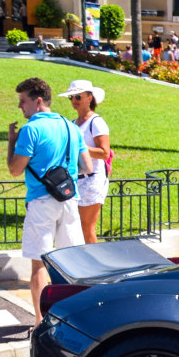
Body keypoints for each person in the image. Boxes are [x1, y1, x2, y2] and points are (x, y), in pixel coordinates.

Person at [6, 77, 91, 325]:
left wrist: (12, 140)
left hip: (41, 201)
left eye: (23, 101)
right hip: (69, 199)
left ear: (38, 101)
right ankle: (72, 319)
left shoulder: (31, 129)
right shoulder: (70, 126)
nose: (21, 107)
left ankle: (40, 321)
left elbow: (14, 169)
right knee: (71, 264)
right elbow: (86, 165)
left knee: (39, 265)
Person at [63, 79, 111, 244]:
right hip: (76, 179)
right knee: (74, 228)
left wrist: (80, 147)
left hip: (92, 180)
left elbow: (104, 153)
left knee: (87, 228)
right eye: (71, 98)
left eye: (78, 97)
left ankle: (95, 266)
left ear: (89, 98)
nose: (74, 101)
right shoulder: (72, 123)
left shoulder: (96, 122)